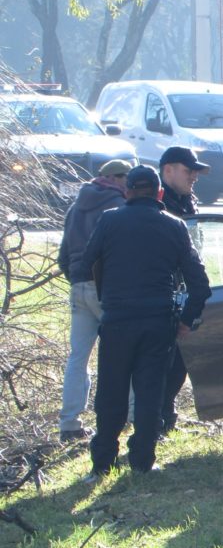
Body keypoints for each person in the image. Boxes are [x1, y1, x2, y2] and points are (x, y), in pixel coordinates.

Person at [80, 165, 210, 478]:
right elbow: (200, 284)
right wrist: (186, 319)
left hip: (118, 320)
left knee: (111, 391)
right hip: (157, 321)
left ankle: (102, 463)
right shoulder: (175, 226)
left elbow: (86, 264)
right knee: (150, 392)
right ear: (158, 192)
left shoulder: (109, 221)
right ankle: (142, 462)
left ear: (128, 192)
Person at [56, 159, 131, 443]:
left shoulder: (75, 208)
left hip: (78, 285)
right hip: (107, 287)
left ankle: (70, 424)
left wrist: (77, 279)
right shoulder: (118, 205)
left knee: (78, 358)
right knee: (125, 352)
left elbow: (64, 256)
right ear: (117, 178)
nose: (130, 183)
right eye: (128, 177)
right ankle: (132, 417)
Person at [157, 146, 210, 433]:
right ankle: (158, 416)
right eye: (189, 171)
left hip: (186, 289)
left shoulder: (188, 202)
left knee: (180, 360)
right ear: (168, 170)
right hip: (163, 292)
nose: (194, 177)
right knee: (164, 360)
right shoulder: (157, 201)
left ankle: (166, 413)